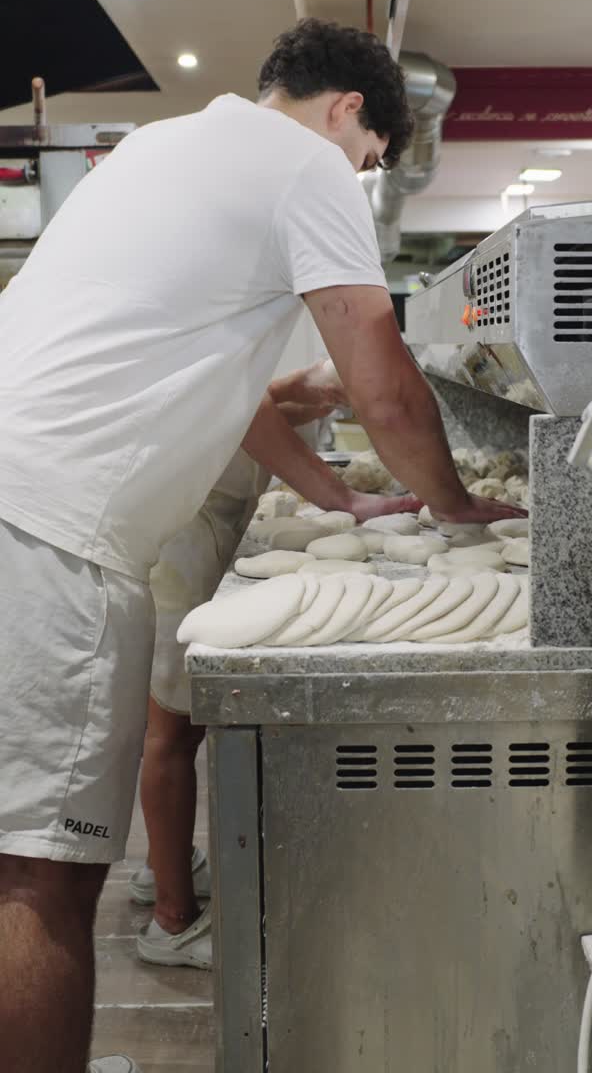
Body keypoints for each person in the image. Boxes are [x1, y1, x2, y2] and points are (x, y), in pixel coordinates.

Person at [0, 17, 523, 1073]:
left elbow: (228, 395)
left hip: (18, 500)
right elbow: (382, 381)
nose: (365, 177)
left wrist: (337, 492)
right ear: (348, 113)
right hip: (51, 536)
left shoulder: (162, 146)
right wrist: (457, 505)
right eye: (373, 159)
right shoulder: (305, 165)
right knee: (43, 877)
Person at [131, 360, 405, 970]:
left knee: (176, 723)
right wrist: (342, 498)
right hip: (185, 522)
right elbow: (230, 399)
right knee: (171, 730)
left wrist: (282, 396)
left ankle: (163, 869)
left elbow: (217, 398)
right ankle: (171, 923)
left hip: (204, 509)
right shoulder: (207, 279)